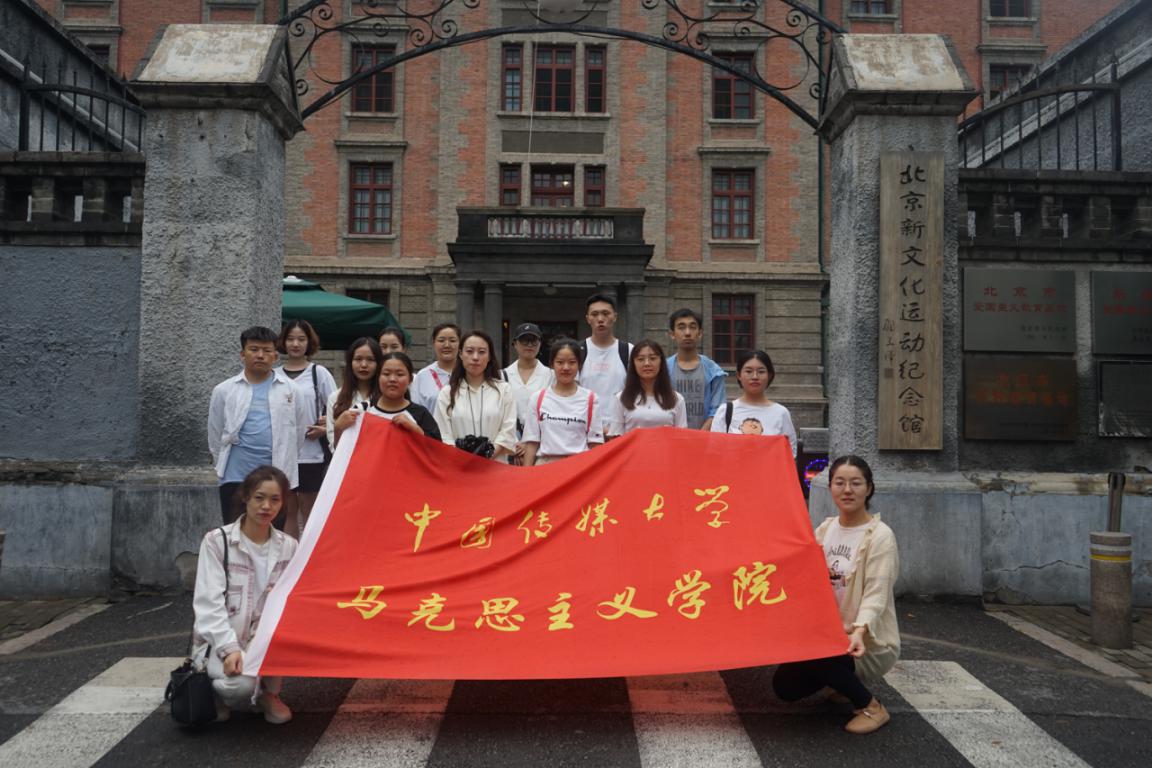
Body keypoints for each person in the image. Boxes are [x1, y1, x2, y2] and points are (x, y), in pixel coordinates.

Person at [772, 455, 899, 735]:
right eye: (839, 483)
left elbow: (876, 595)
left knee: (821, 654)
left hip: (866, 641)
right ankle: (842, 682)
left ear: (869, 488)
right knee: (785, 687)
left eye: (856, 483)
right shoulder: (826, 528)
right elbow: (801, 571)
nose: (847, 490)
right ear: (830, 487)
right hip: (828, 634)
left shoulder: (880, 536)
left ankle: (871, 707)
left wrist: (859, 630)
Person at [191, 465, 298, 724]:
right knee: (238, 686)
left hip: (263, 640)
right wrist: (228, 649)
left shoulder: (289, 547)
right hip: (223, 638)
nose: (266, 506)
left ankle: (268, 694)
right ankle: (216, 692)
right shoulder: (217, 542)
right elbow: (208, 603)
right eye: (259, 497)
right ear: (246, 497)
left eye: (275, 499)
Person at [208, 326, 310, 526]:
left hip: (276, 477)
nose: (260, 355)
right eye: (254, 349)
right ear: (242, 354)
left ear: (275, 356)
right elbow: (215, 433)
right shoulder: (224, 390)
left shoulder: (292, 390)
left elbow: (298, 433)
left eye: (267, 350)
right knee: (234, 532)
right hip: (234, 476)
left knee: (272, 534)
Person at [277, 320, 336, 538]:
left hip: (311, 454)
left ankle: (310, 555)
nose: (295, 344)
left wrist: (325, 428)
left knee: (310, 511)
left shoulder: (318, 373)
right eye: (290, 339)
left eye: (301, 339)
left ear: (309, 342)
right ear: (283, 342)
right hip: (282, 453)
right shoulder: (275, 375)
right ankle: (289, 555)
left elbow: (337, 408)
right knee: (287, 510)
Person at [435, 330, 517, 461]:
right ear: (460, 354)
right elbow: (443, 434)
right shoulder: (447, 393)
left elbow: (508, 431)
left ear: (489, 356)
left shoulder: (504, 390)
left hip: (496, 465)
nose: (475, 357)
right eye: (469, 351)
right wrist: (464, 460)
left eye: (482, 352)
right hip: (458, 465)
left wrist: (486, 456)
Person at [521, 338, 604, 466]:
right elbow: (532, 442)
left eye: (572, 362)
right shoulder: (537, 399)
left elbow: (595, 444)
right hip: (545, 467)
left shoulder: (591, 399)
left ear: (579, 365)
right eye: (560, 362)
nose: (566, 367)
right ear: (552, 364)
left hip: (579, 467)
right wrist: (526, 474)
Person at [709, 349, 797, 457]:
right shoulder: (725, 411)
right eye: (748, 371)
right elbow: (715, 451)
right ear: (739, 375)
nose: (755, 377)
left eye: (761, 372)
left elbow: (790, 453)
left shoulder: (781, 413)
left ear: (769, 375)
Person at [607, 340, 686, 437]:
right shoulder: (621, 398)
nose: (647, 363)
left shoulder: (677, 399)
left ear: (661, 362)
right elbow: (615, 437)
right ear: (633, 364)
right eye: (640, 359)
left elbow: (682, 437)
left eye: (653, 358)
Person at [666, 308, 727, 430]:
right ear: (672, 334)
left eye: (692, 327)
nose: (687, 333)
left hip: (705, 437)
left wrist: (699, 436)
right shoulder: (663, 369)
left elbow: (717, 410)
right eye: (681, 327)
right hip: (671, 437)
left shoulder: (713, 371)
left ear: (700, 333)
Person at [501, 323, 553, 459]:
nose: (529, 345)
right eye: (524, 340)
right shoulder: (502, 375)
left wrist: (529, 444)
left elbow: (553, 413)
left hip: (542, 446)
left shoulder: (551, 375)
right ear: (515, 344)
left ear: (540, 344)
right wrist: (515, 443)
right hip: (510, 445)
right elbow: (500, 414)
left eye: (534, 340)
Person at [578, 294, 633, 420]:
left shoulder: (629, 351)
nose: (600, 319)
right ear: (588, 319)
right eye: (594, 314)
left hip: (619, 424)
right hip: (584, 424)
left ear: (615, 317)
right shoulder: (578, 351)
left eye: (606, 313)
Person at [366, 352, 442, 439]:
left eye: (400, 374)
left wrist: (415, 429)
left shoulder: (421, 414)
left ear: (410, 379)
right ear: (378, 378)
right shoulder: (364, 410)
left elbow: (436, 446)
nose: (392, 379)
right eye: (386, 374)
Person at [327, 338, 383, 449]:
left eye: (370, 359)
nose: (364, 364)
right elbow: (335, 448)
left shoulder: (387, 397)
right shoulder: (335, 398)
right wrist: (338, 428)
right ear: (350, 362)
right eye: (358, 359)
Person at [412, 323, 461, 412]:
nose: (447, 345)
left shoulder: (468, 373)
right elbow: (415, 411)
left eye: (452, 340)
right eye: (441, 340)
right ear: (433, 343)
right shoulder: (423, 376)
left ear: (460, 344)